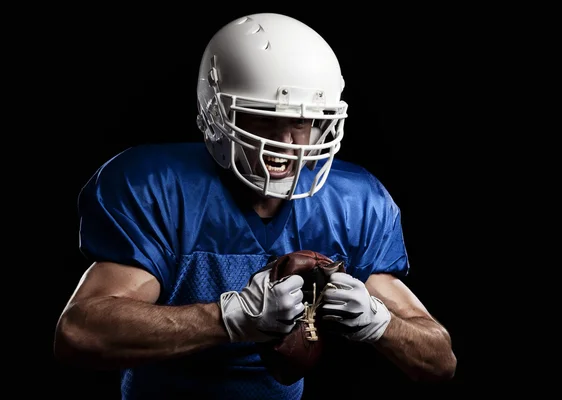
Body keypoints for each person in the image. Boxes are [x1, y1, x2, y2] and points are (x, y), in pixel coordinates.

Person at [54, 12, 457, 400]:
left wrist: (379, 323)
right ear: (216, 114)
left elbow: (439, 360)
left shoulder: (352, 203)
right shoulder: (158, 187)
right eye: (261, 117)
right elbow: (79, 333)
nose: (286, 141)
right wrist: (230, 318)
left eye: (302, 121)